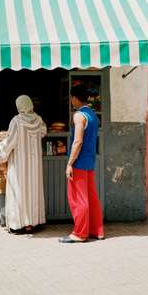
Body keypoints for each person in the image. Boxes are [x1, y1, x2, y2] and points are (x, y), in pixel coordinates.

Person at [59, 84, 104, 243]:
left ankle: (80, 233)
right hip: (90, 161)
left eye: (71, 98)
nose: (71, 100)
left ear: (75, 98)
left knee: (78, 198)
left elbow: (77, 141)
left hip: (79, 161)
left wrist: (70, 163)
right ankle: (97, 230)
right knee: (91, 197)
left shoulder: (79, 115)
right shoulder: (92, 115)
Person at [0, 95, 46, 233]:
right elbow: (43, 132)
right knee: (33, 191)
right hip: (35, 164)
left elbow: (10, 142)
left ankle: (20, 223)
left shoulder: (16, 121)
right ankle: (32, 223)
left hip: (19, 164)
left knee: (19, 190)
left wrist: (0, 148)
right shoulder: (38, 120)